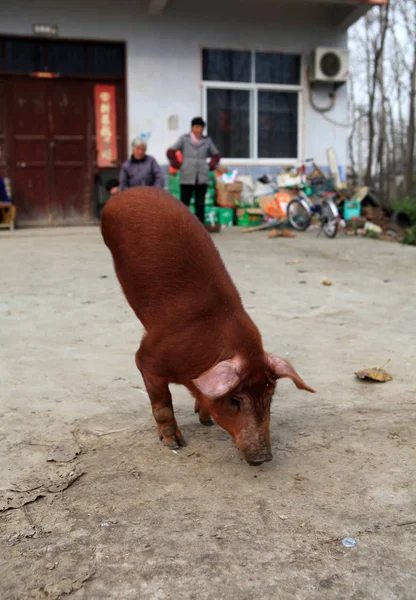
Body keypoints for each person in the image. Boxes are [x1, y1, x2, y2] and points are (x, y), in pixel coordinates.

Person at [167, 117, 220, 224]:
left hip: (202, 176)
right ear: (192, 128)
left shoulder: (207, 141)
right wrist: (177, 164)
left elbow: (216, 155)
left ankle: (200, 226)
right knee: (184, 202)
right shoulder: (184, 139)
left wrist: (210, 165)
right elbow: (170, 151)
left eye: (200, 127)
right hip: (187, 174)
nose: (198, 130)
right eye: (196, 127)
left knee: (200, 203)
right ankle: (181, 224)